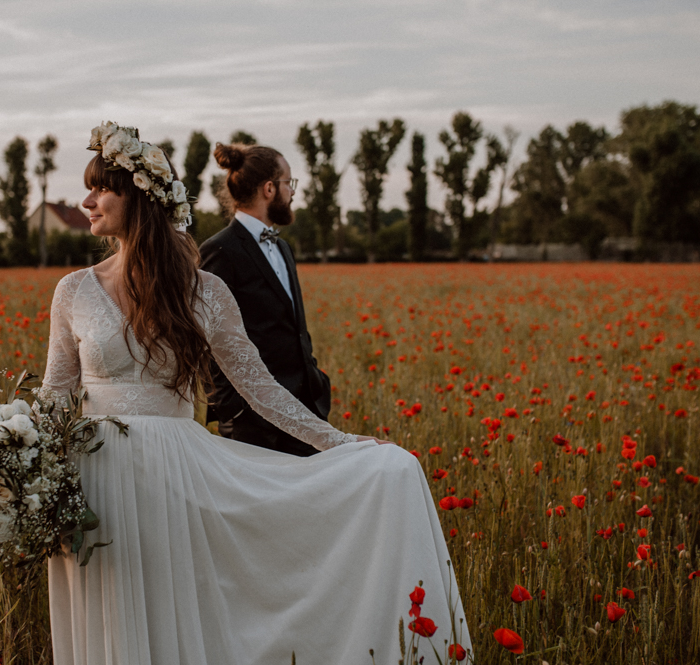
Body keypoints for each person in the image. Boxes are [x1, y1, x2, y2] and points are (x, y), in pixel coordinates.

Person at [42, 122, 470, 665]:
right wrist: (13, 468)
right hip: (93, 479)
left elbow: (260, 387)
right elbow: (55, 398)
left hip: (172, 475)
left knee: (174, 610)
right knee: (109, 614)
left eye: (101, 188)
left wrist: (339, 443)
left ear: (141, 197)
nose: (86, 201)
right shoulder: (73, 290)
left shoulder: (205, 291)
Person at [199, 143, 329, 457]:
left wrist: (315, 383)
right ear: (269, 189)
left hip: (305, 410)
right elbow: (206, 339)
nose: (293, 192)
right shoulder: (220, 250)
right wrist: (235, 411)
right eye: (289, 184)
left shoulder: (283, 248)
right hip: (253, 423)